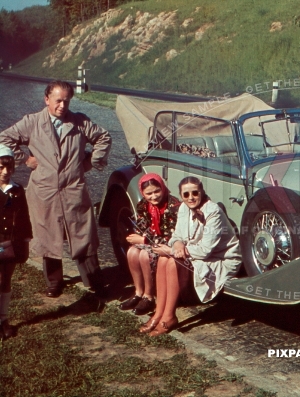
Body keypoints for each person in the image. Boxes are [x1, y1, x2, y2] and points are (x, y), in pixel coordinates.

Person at [0, 80, 111, 298]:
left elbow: (103, 137)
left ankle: (94, 281)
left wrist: (91, 162)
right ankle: (54, 282)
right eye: (58, 100)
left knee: (83, 234)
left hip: (73, 189)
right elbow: (4, 138)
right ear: (47, 99)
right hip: (44, 190)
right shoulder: (32, 122)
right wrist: (24, 159)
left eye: (66, 101)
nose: (62, 106)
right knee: (48, 236)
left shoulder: (79, 122)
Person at [139, 177, 241, 336]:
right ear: (181, 196)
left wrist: (172, 250)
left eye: (195, 193)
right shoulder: (184, 208)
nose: (191, 197)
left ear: (202, 192)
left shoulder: (213, 211)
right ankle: (158, 313)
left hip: (220, 259)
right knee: (164, 258)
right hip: (198, 253)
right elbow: (177, 235)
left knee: (172, 261)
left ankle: (169, 316)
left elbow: (206, 250)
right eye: (186, 194)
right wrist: (177, 244)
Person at [119, 173, 180, 315]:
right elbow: (142, 227)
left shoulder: (173, 206)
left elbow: (171, 236)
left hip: (168, 245)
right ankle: (138, 292)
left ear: (163, 188)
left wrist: (144, 240)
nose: (154, 196)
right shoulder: (144, 205)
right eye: (149, 193)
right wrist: (141, 238)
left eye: (157, 191)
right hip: (153, 240)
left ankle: (149, 296)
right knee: (132, 252)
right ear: (143, 193)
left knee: (145, 255)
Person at [0, 145, 32, 339]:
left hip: (9, 243)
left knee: (5, 278)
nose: (5, 172)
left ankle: (4, 319)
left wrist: (25, 238)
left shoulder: (17, 190)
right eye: (1, 167)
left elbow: (24, 217)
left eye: (9, 168)